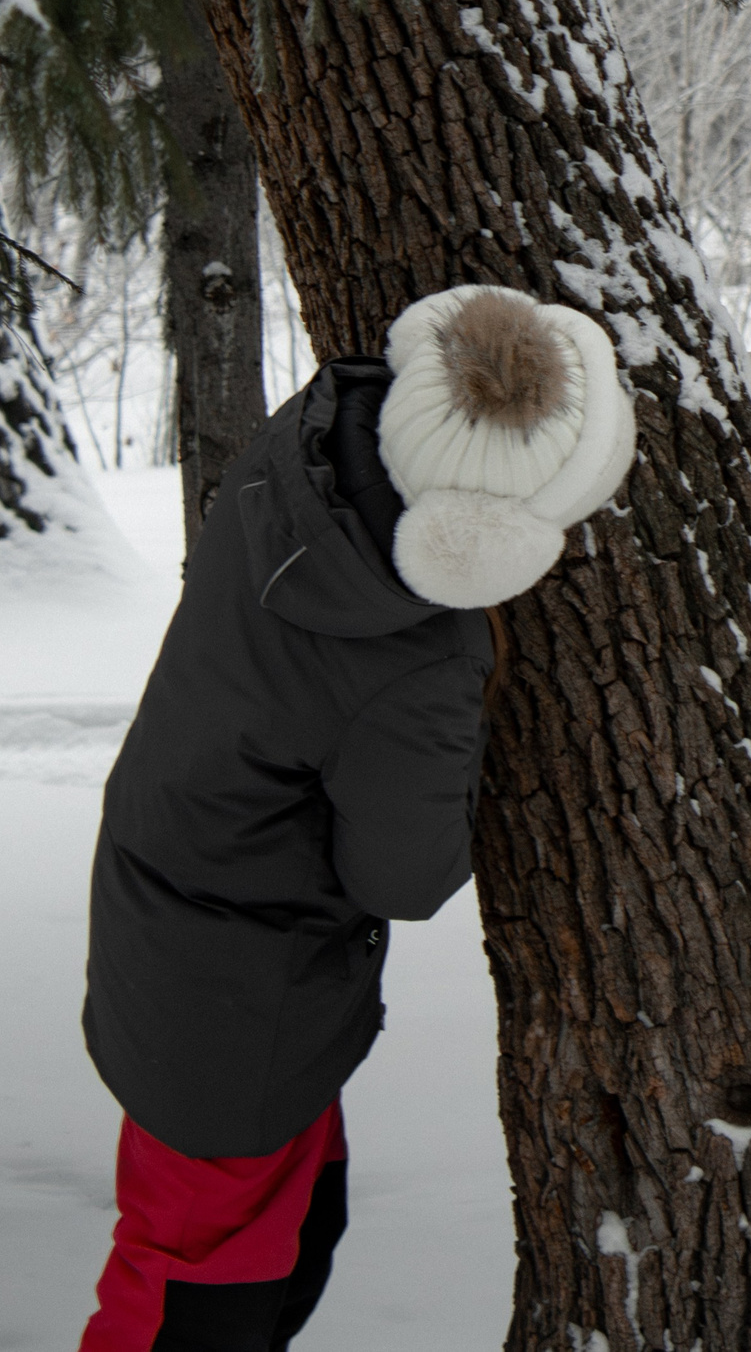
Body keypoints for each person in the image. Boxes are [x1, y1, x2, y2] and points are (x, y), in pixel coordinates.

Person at [76, 285, 636, 1352]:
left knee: (280, 1247)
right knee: (196, 1295)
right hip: (237, 1003)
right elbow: (402, 877)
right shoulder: (415, 658)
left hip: (174, 913)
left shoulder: (314, 440)